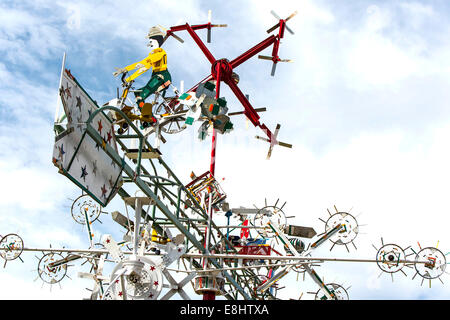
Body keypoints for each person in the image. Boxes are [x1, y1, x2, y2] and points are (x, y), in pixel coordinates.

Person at [113, 26, 172, 108]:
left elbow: (143, 63)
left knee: (142, 95)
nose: (150, 44)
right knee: (137, 93)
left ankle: (149, 119)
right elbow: (143, 69)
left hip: (162, 77)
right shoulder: (153, 54)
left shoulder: (160, 53)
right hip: (156, 77)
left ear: (157, 41)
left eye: (151, 41)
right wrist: (128, 79)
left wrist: (126, 69)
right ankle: (144, 117)